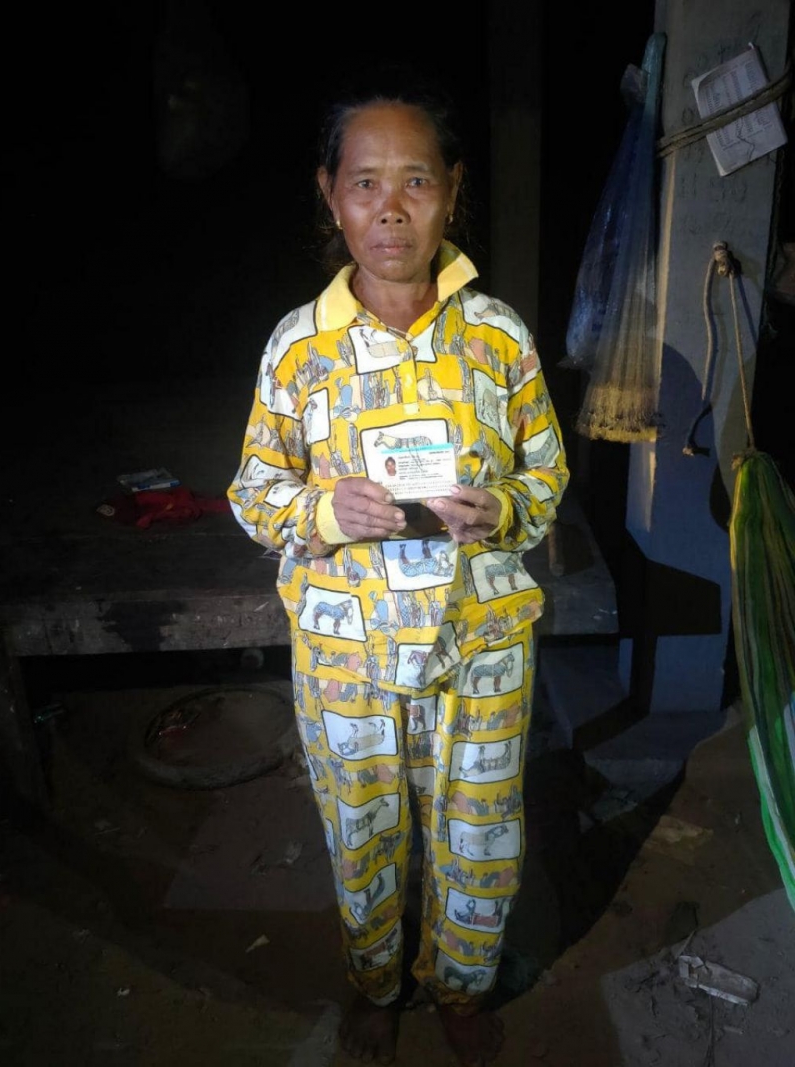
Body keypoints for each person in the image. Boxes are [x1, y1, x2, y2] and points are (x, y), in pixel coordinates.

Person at [226, 69, 569, 1067]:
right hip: (347, 651)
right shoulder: (298, 348)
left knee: (479, 829)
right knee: (363, 830)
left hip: (480, 639)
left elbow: (546, 473)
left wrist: (503, 508)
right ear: (330, 196)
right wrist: (320, 512)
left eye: (415, 181)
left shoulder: (497, 335)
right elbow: (252, 490)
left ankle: (459, 985)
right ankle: (375, 981)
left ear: (451, 193)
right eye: (365, 182)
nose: (390, 208)